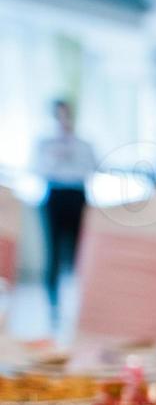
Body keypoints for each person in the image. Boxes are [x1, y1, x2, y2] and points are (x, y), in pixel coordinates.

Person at [30, 99, 96, 328]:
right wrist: (55, 157)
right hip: (54, 197)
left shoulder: (84, 145)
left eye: (67, 115)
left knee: (79, 254)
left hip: (77, 197)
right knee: (54, 253)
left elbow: (90, 169)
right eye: (60, 115)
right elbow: (37, 169)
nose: (64, 120)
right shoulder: (44, 144)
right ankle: (53, 305)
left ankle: (81, 305)